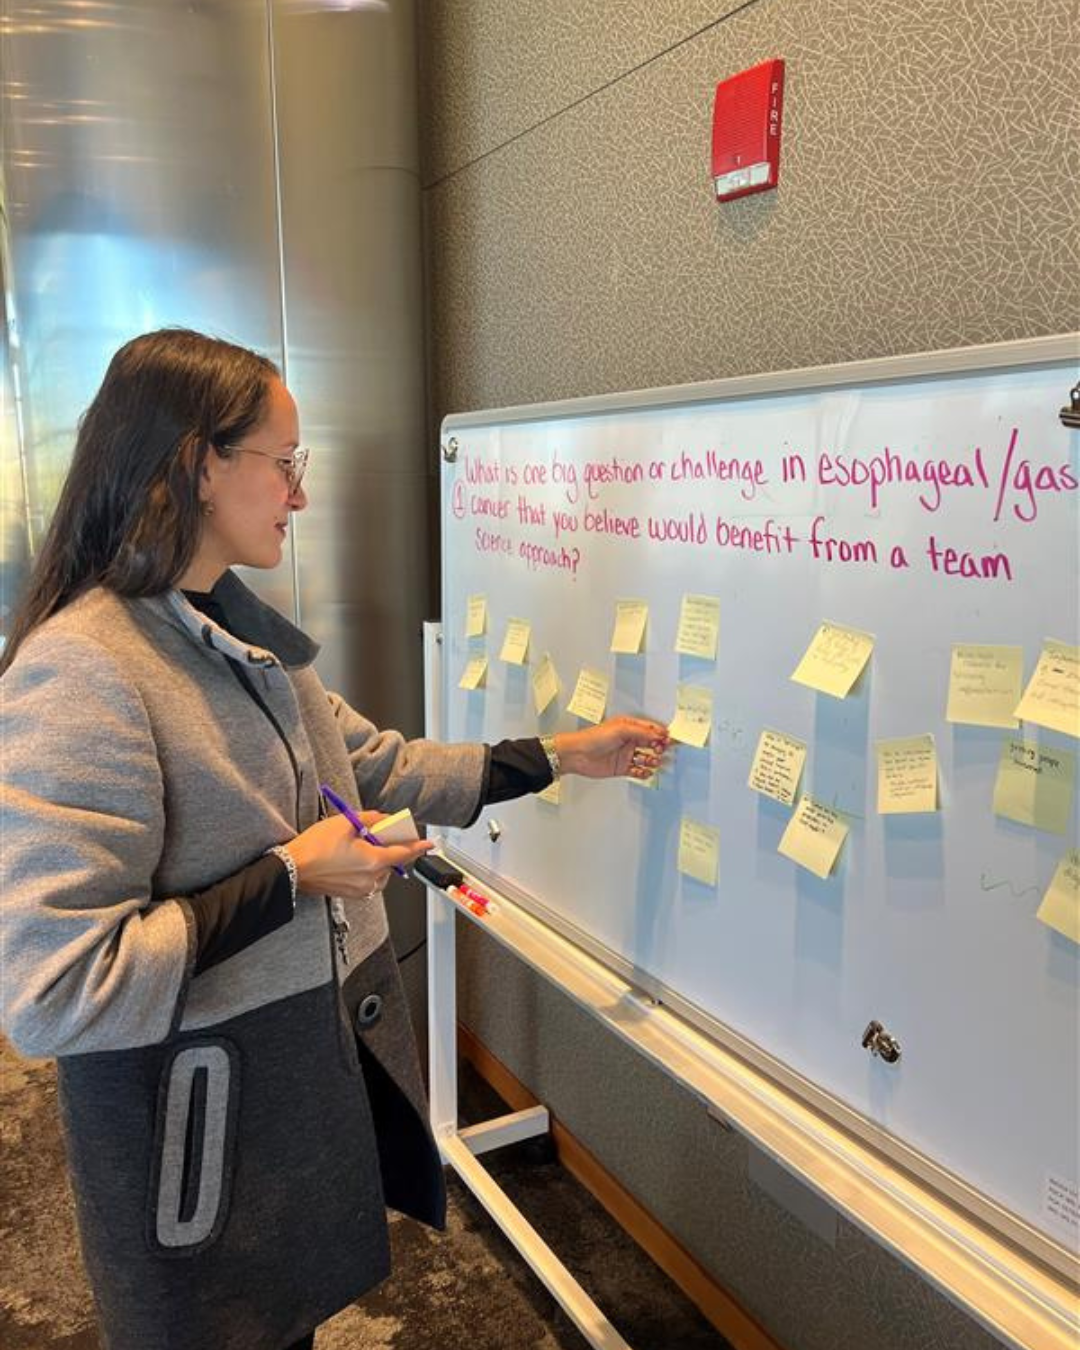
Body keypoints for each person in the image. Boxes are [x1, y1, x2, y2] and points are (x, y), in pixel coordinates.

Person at [0, 329, 670, 1350]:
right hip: (195, 1154)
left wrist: (560, 755)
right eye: (284, 463)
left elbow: (374, 767)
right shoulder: (84, 672)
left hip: (284, 1107)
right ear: (196, 463)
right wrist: (288, 877)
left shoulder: (230, 625)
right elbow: (52, 992)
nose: (299, 496)